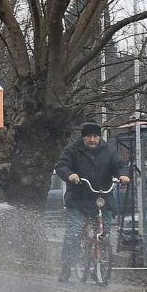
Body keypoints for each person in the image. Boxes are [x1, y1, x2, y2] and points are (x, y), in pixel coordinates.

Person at [54, 121, 130, 282]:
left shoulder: (108, 150)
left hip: (102, 198)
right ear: (83, 137)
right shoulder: (73, 150)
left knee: (104, 232)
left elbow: (119, 165)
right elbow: (62, 166)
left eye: (95, 136)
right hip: (79, 199)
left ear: (99, 137)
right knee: (74, 232)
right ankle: (66, 267)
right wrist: (70, 175)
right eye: (89, 137)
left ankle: (99, 267)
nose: (92, 140)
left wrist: (122, 175)